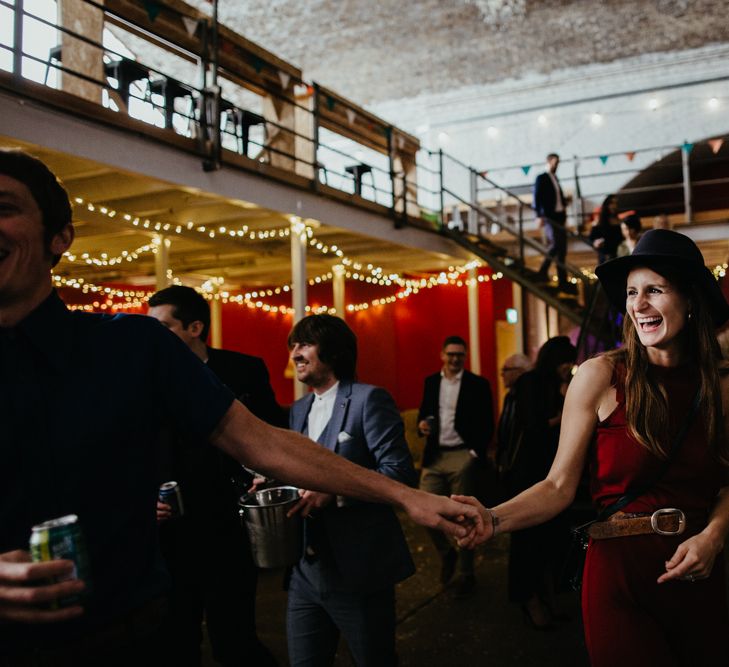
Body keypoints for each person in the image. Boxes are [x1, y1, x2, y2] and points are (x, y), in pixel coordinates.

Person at [0, 149, 481, 665]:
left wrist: (405, 497)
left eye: (5, 206)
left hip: (135, 639)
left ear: (60, 236)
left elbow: (262, 440)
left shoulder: (131, 347)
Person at [458, 229, 729, 666]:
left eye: (654, 290)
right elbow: (557, 486)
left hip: (699, 572)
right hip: (618, 576)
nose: (638, 305)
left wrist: (715, 537)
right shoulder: (600, 375)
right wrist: (493, 519)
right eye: (631, 293)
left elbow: (726, 485)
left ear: (692, 300)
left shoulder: (720, 384)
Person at [147, 285, 282, 667]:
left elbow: (271, 431)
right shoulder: (143, 379)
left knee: (235, 636)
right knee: (176, 638)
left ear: (195, 327)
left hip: (229, 524)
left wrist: (264, 476)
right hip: (170, 528)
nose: (153, 335)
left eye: (163, 325)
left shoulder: (244, 370)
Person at [286, 314, 416, 667]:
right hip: (306, 570)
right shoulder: (298, 411)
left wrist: (336, 492)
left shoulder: (367, 399)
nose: (295, 354)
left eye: (305, 344)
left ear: (334, 351)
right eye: (293, 346)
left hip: (359, 568)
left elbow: (400, 473)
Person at [499, 338, 576, 630]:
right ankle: (529, 600)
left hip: (553, 473)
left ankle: (548, 598)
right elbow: (534, 427)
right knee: (527, 542)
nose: (568, 367)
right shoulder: (532, 382)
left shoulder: (556, 384)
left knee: (551, 542)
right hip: (529, 475)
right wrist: (566, 412)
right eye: (565, 361)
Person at [417, 335, 494, 597]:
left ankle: (466, 573)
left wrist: (474, 453)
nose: (455, 359)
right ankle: (445, 552)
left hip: (463, 454)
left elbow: (486, 422)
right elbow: (424, 414)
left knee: (464, 515)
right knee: (422, 508)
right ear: (442, 355)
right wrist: (422, 425)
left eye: (459, 354)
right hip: (435, 455)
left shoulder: (478, 384)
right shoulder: (431, 382)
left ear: (465, 356)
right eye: (450, 354)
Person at [533, 152, 574, 295]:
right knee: (556, 244)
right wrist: (539, 215)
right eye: (555, 162)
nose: (557, 165)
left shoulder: (555, 178)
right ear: (549, 161)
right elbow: (537, 198)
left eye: (558, 163)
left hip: (559, 216)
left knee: (562, 250)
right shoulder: (542, 178)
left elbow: (556, 198)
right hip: (549, 217)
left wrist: (564, 203)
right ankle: (542, 271)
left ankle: (563, 281)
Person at [588, 194, 623, 265]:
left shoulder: (619, 221)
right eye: (612, 203)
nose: (614, 206)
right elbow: (592, 238)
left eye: (616, 203)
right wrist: (596, 243)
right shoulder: (599, 221)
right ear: (607, 205)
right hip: (605, 255)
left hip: (619, 254)